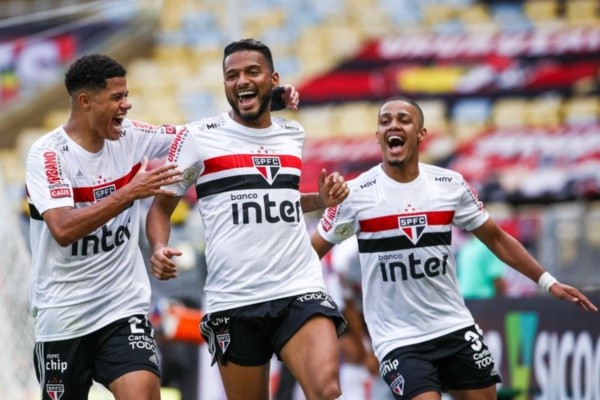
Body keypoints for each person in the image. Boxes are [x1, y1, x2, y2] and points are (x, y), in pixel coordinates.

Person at [25, 53, 300, 400]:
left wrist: (264, 102)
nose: (128, 104)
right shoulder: (48, 154)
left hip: (121, 308)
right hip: (61, 315)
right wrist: (130, 193)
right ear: (85, 102)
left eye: (127, 95)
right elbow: (63, 229)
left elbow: (199, 135)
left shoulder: (132, 136)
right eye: (117, 97)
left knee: (143, 393)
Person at [310, 95, 598, 400]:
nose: (393, 125)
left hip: (454, 327)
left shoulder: (449, 185)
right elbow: (310, 253)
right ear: (378, 135)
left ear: (421, 134)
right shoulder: (354, 195)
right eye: (385, 121)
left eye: (404, 120)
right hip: (398, 340)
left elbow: (497, 239)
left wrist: (548, 282)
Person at [146, 39, 349, 400]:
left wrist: (320, 200)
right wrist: (159, 246)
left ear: (272, 78)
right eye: (232, 75)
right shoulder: (198, 137)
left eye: (252, 72)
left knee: (327, 391)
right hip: (234, 299)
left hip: (297, 288)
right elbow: (161, 208)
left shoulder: (292, 133)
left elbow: (278, 199)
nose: (241, 80)